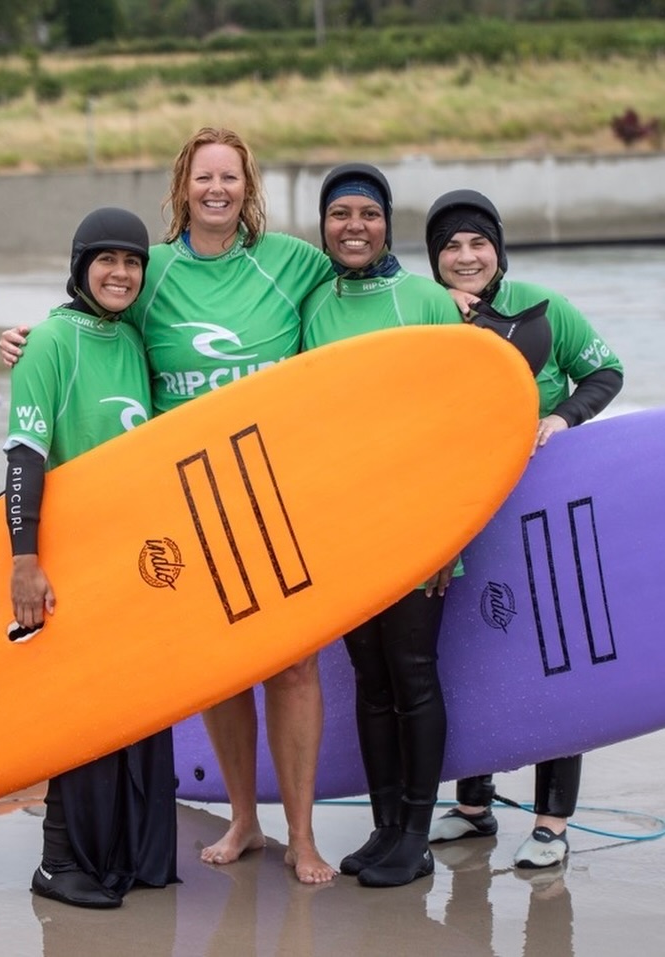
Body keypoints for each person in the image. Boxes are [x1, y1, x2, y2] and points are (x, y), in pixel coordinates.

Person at [0, 128, 337, 884]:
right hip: (190, 507)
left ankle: (304, 835)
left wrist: (459, 301)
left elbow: (361, 286)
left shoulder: (291, 262)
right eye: (203, 177)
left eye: (231, 177)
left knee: (293, 668)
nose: (217, 189)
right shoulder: (149, 274)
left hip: (280, 495)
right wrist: (31, 335)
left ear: (249, 188)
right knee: (219, 671)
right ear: (183, 186)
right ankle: (245, 818)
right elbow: (93, 313)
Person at [424, 188, 623, 869]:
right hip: (465, 510)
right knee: (471, 646)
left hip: (543, 509)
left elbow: (606, 371)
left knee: (551, 653)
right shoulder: (424, 315)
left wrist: (562, 419)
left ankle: (551, 821)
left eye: (478, 242)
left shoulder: (543, 308)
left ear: (498, 250)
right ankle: (473, 805)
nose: (466, 255)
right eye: (450, 245)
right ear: (435, 259)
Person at [4, 207, 178, 908]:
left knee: (132, 707)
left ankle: (130, 852)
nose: (120, 272)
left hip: (130, 561)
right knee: (81, 712)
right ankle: (59, 859)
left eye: (132, 261)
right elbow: (24, 454)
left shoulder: (131, 341)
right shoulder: (50, 340)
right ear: (80, 268)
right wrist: (24, 558)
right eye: (105, 260)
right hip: (70, 559)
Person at [301, 163, 465, 888]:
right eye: (341, 215)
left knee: (414, 674)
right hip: (348, 529)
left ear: (387, 223)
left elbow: (464, 422)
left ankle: (418, 833)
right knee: (370, 677)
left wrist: (448, 531)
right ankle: (384, 825)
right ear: (324, 227)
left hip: (420, 526)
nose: (355, 226)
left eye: (368, 213)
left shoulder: (428, 300)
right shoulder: (314, 306)